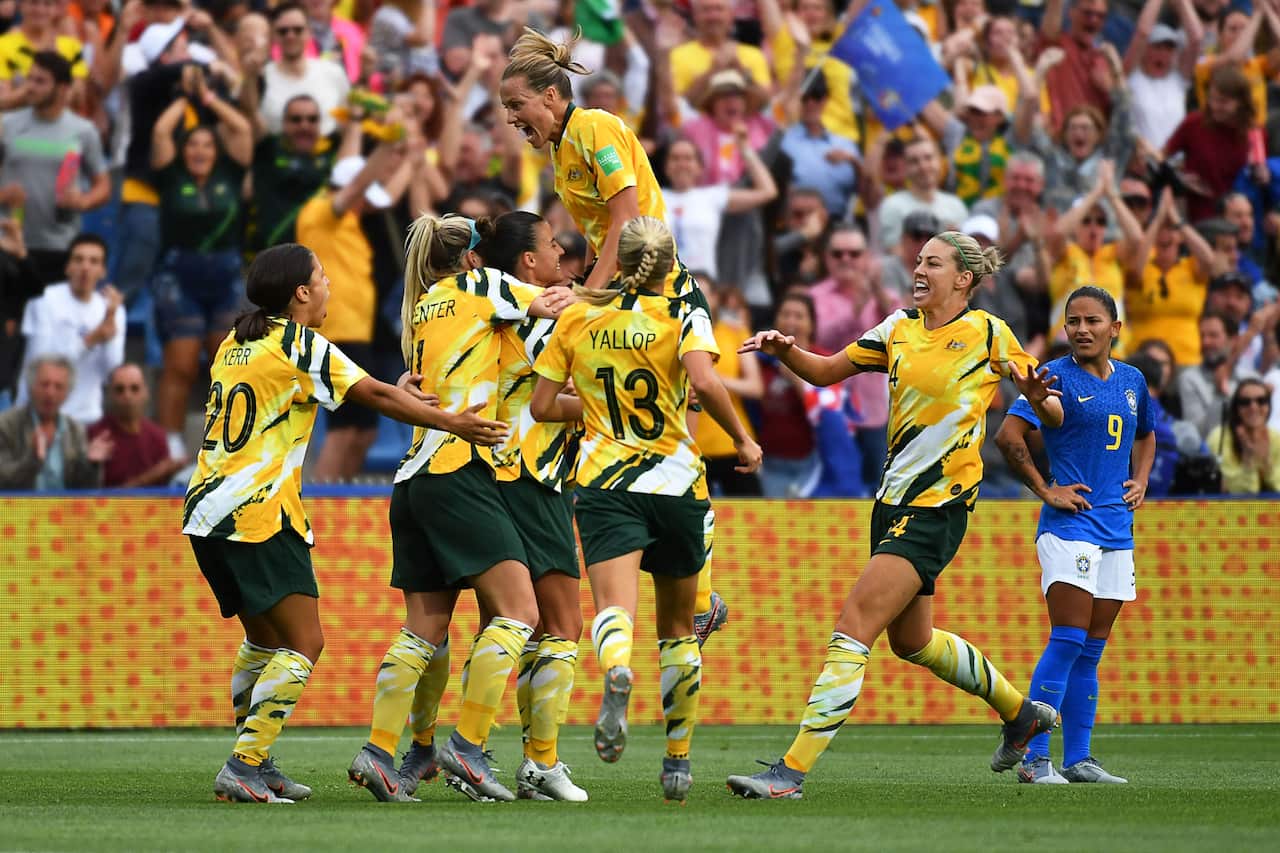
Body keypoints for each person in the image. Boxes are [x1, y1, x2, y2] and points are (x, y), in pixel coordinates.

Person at [726, 231, 1057, 800]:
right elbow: (827, 370)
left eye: (934, 262)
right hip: (890, 504)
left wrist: (1035, 393)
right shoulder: (896, 328)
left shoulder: (988, 333)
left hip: (939, 507)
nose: (919, 269)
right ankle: (1021, 714)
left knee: (855, 623)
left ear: (964, 280)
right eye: (918, 260)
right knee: (913, 642)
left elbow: (1048, 410)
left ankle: (791, 772)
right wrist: (786, 352)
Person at [185, 242, 509, 804]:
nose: (330, 285)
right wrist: (448, 421)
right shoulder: (298, 343)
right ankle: (243, 763)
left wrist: (401, 398)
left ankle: (256, 761)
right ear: (302, 293)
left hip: (204, 511)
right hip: (258, 514)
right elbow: (375, 393)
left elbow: (357, 392)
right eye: (323, 276)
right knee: (305, 643)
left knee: (262, 642)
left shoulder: (235, 344)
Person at [501, 26, 729, 639]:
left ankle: (701, 592)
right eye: (505, 111)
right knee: (641, 419)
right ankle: (693, 590)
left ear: (551, 95)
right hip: (624, 294)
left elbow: (628, 217)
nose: (512, 120)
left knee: (678, 423)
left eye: (517, 106)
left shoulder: (596, 129)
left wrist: (586, 293)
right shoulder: (560, 148)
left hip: (659, 288)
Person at [529, 215, 762, 802]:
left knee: (615, 609)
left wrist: (596, 413)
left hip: (606, 482)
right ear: (667, 265)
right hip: (678, 484)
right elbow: (706, 384)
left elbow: (539, 407)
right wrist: (743, 438)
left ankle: (615, 670)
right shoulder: (683, 313)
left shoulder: (579, 317)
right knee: (680, 629)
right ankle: (678, 761)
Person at [348, 214, 569, 804]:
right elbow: (554, 304)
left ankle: (379, 752)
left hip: (412, 477)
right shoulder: (482, 288)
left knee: (424, 627)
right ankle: (468, 751)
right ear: (473, 259)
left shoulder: (422, 310)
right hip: (459, 469)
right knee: (520, 613)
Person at [994, 285, 1155, 784]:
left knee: (1091, 648)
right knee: (1066, 640)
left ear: (1115, 328)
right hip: (1071, 524)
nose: (1082, 329)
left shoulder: (1132, 380)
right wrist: (1047, 489)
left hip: (1116, 529)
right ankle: (1034, 757)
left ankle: (1078, 758)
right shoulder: (1054, 376)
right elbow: (1009, 435)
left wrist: (1142, 478)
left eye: (1092, 320)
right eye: (1073, 321)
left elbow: (1146, 434)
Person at [149, 73, 254, 460]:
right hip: (179, 277)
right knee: (180, 365)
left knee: (227, 364)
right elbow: (161, 132)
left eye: (207, 144)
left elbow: (240, 127)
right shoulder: (171, 175)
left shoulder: (230, 173)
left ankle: (229, 445)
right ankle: (171, 447)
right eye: (192, 144)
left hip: (226, 277)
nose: (199, 151)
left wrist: (207, 97)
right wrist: (183, 97)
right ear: (182, 150)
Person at [0, 50, 109, 285]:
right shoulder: (6, 125)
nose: (30, 87)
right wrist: (3, 195)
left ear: (62, 88)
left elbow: (103, 185)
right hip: (9, 241)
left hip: (59, 245)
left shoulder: (83, 130)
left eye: (40, 81)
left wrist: (84, 201)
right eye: (29, 78)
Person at [17, 234, 124, 424]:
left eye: (94, 261)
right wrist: (90, 340)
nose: (85, 267)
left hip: (87, 416)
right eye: (79, 259)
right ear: (67, 267)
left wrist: (108, 330)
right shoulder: (44, 300)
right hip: (40, 415)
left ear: (103, 271)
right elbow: (40, 365)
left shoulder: (113, 309)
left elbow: (111, 372)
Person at [0, 354, 111, 490]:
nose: (50, 393)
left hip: (63, 510)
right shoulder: (6, 425)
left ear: (67, 393)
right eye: (44, 385)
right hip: (17, 510)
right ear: (30, 387)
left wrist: (92, 465)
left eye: (58, 387)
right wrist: (32, 460)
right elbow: (3, 480)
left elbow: (86, 490)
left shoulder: (75, 430)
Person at [88, 363, 183, 488]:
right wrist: (153, 475)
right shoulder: (96, 436)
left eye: (134, 388)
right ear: (110, 395)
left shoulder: (158, 436)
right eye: (119, 390)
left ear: (146, 392)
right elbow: (94, 497)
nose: (127, 396)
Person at [1207, 378, 1280, 493]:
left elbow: (1278, 486)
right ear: (1236, 408)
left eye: (1261, 401)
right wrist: (1248, 459)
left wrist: (1266, 463)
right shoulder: (1219, 437)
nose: (1253, 407)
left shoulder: (1276, 438)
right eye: (1245, 402)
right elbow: (1241, 491)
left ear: (1268, 407)